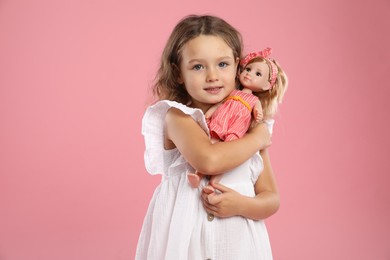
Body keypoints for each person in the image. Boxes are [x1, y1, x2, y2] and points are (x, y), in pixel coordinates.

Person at [136, 14, 281, 260]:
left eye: (222, 64)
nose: (212, 75)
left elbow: (270, 198)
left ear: (238, 66)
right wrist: (258, 138)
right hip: (186, 248)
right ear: (178, 72)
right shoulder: (178, 118)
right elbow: (209, 160)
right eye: (198, 66)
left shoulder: (250, 127)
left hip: (238, 248)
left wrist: (241, 205)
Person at [187, 47, 288, 191]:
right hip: (222, 119)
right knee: (212, 143)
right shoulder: (233, 92)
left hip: (237, 126)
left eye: (257, 74)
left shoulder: (253, 99)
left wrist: (258, 114)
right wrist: (210, 113)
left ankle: (214, 182)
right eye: (248, 69)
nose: (249, 74)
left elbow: (257, 110)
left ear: (267, 85)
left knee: (226, 154)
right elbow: (221, 104)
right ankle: (198, 175)